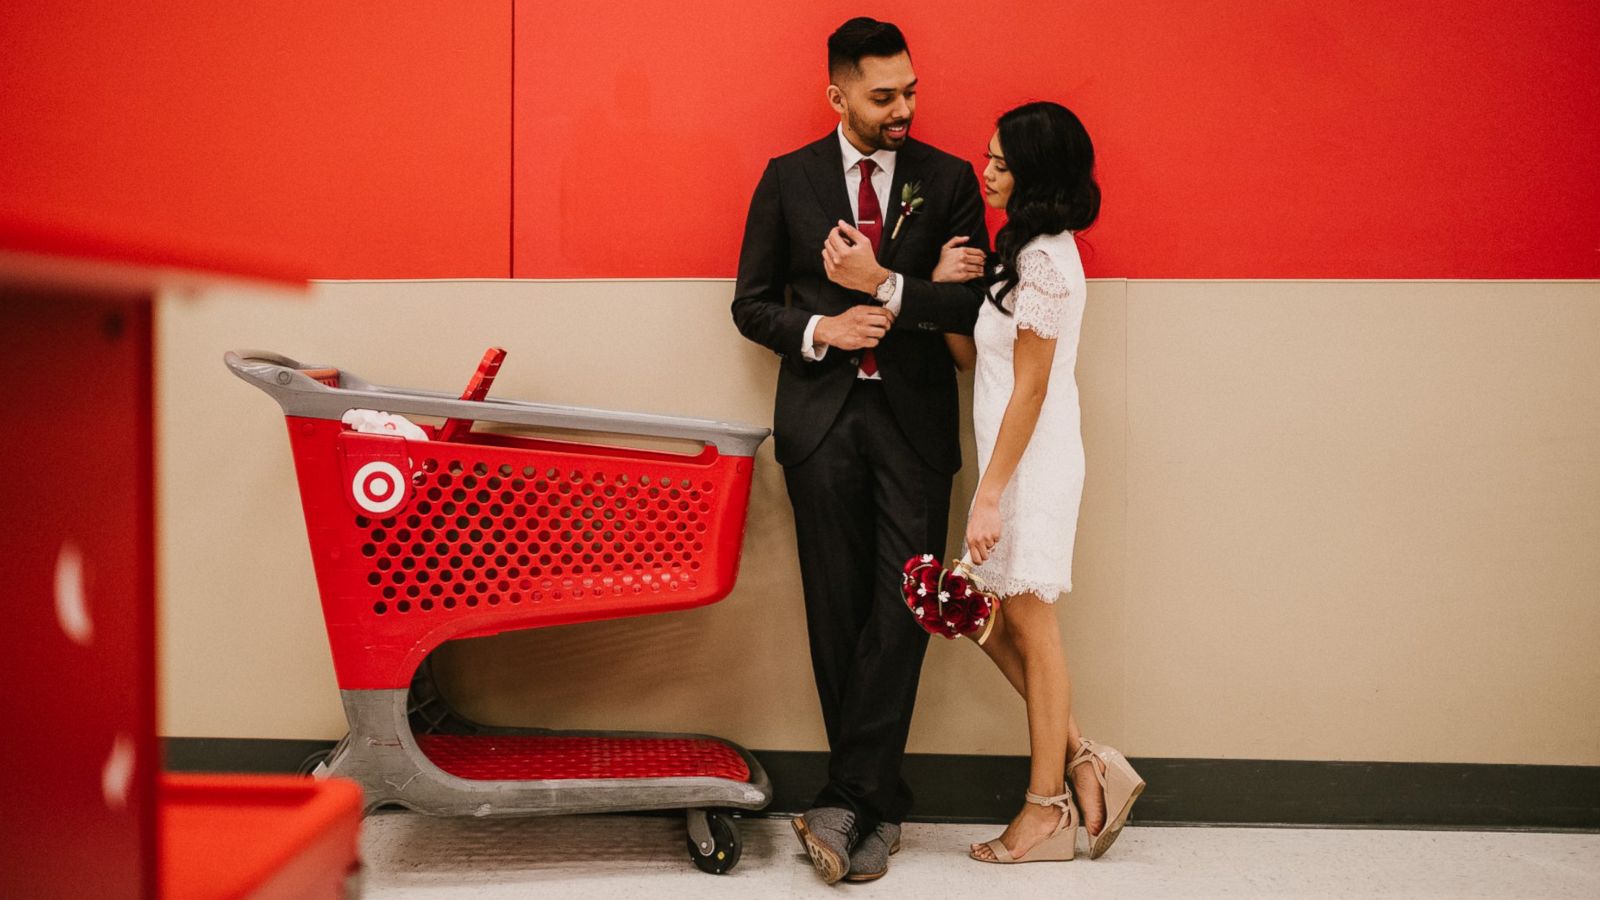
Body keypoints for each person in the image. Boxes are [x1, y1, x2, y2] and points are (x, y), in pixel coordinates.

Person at [730, 15, 989, 885]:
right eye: (884, 97)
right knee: (836, 610)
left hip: (915, 426)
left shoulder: (948, 181)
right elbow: (752, 304)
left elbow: (970, 311)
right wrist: (824, 327)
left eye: (911, 90)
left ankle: (846, 800)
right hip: (822, 422)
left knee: (906, 608)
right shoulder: (787, 180)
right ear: (837, 94)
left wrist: (888, 285)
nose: (903, 108)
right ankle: (870, 810)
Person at [932, 100, 1146, 864]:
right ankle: (1088, 762)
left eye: (998, 160)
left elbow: (1030, 388)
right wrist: (938, 288)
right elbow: (974, 362)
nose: (984, 169)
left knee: (1029, 624)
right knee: (989, 617)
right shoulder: (1021, 253)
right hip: (1010, 460)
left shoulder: (1048, 261)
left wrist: (990, 496)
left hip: (1033, 465)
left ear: (1034, 175)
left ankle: (1045, 806)